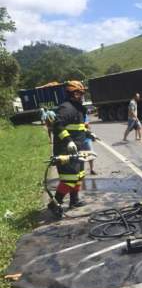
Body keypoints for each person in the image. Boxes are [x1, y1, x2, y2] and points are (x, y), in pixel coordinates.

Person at [48, 80, 96, 214]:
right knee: (69, 178)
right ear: (73, 93)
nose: (82, 96)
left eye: (82, 93)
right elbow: (57, 125)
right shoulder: (67, 108)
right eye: (80, 93)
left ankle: (74, 201)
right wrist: (69, 141)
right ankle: (54, 203)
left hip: (78, 149)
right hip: (66, 150)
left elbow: (78, 129)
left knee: (79, 175)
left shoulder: (78, 109)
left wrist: (89, 133)